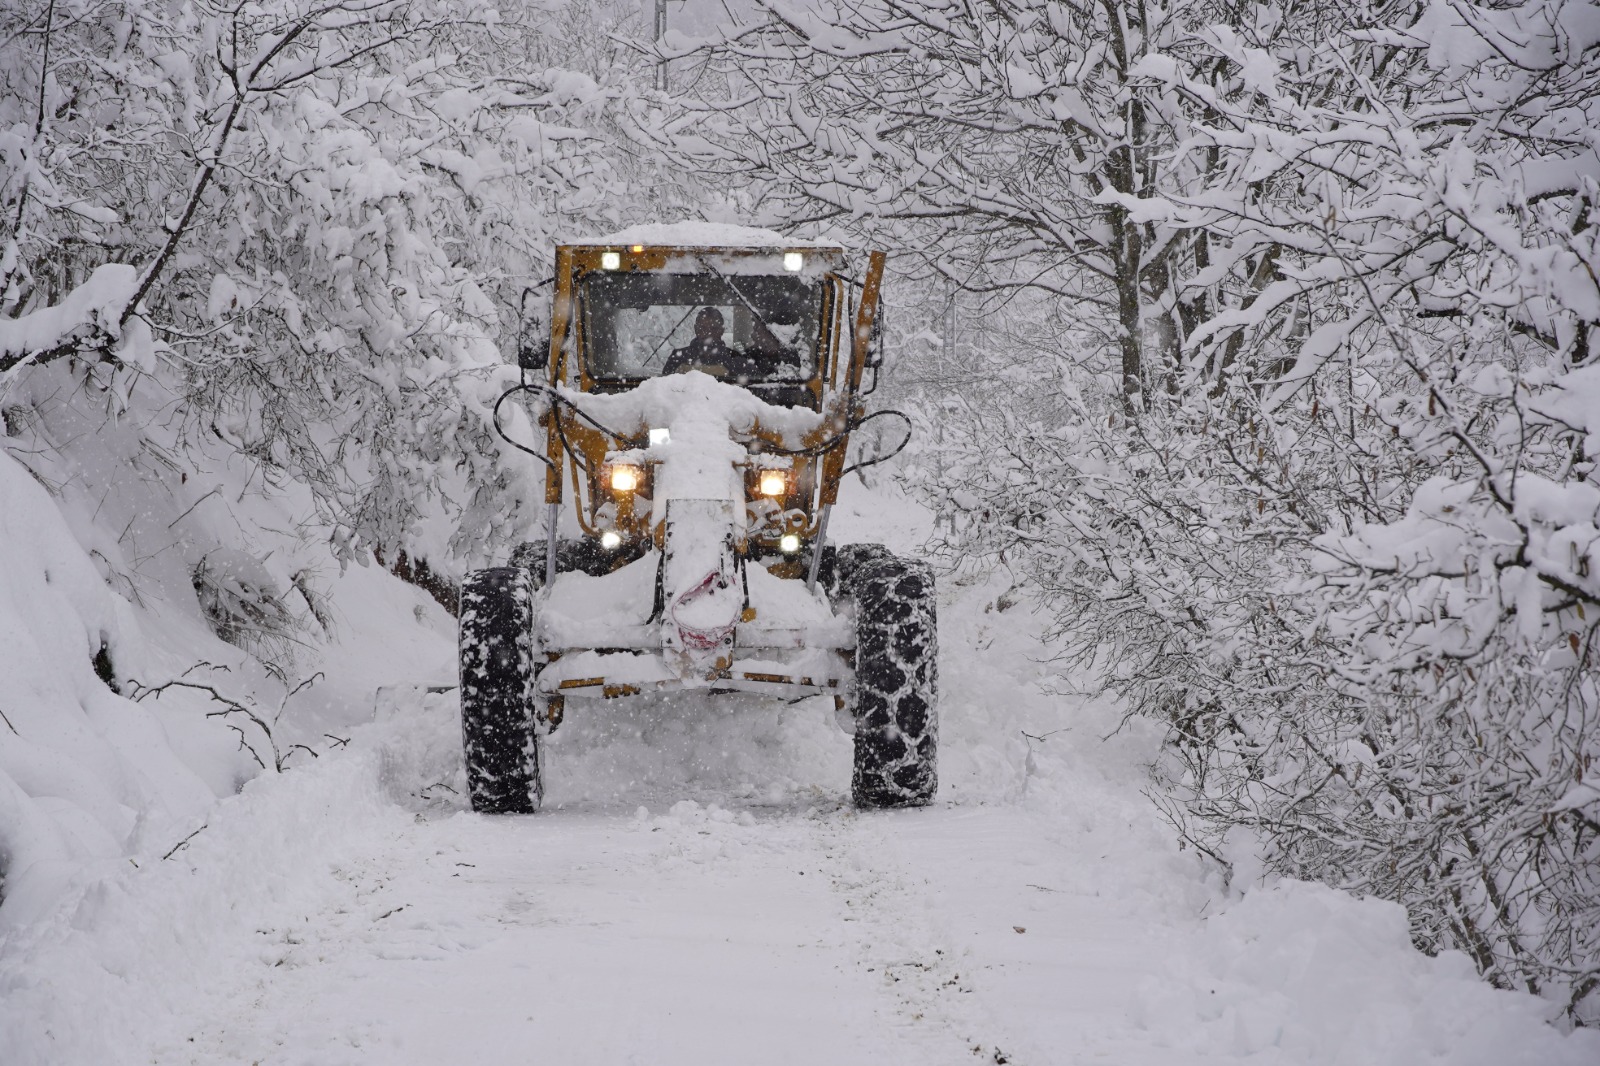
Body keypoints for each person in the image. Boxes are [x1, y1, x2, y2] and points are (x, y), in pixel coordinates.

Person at [664, 308, 736, 376]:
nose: (708, 333)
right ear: (696, 329)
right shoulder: (678, 358)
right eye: (703, 328)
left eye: (713, 328)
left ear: (721, 330)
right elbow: (664, 385)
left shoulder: (735, 360)